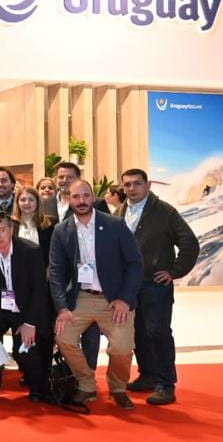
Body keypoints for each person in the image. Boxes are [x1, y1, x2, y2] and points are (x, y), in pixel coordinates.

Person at [50, 179, 142, 410]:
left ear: (93, 197)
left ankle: (118, 387)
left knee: (122, 347)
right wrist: (62, 308)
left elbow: (135, 264)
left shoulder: (114, 225)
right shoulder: (61, 231)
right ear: (69, 200)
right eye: (76, 196)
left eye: (85, 195)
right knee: (64, 337)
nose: (81, 201)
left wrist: (125, 299)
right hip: (81, 297)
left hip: (114, 299)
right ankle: (86, 383)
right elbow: (56, 272)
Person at [118, 168, 199, 405]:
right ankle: (148, 375)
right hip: (129, 285)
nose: (132, 188)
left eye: (137, 183)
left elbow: (189, 242)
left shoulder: (165, 211)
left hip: (155, 284)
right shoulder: (120, 211)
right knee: (138, 333)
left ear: (148, 185)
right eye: (127, 184)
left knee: (158, 332)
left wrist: (174, 271)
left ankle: (166, 384)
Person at [0, 212, 50, 403]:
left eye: (2, 230)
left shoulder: (30, 251)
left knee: (25, 350)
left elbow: (40, 290)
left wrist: (30, 323)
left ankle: (37, 386)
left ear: (11, 230)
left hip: (26, 310)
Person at [42, 161, 108, 369]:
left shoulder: (96, 204)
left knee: (89, 328)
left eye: (69, 177)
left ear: (78, 179)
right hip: (53, 275)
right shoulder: (45, 203)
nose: (64, 180)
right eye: (60, 177)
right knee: (57, 325)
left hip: (85, 278)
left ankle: (87, 374)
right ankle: (59, 373)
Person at [10, 186, 56, 251]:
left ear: (37, 202)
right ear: (17, 202)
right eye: (23, 200)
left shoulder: (50, 223)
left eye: (31, 200)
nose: (27, 203)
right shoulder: (10, 223)